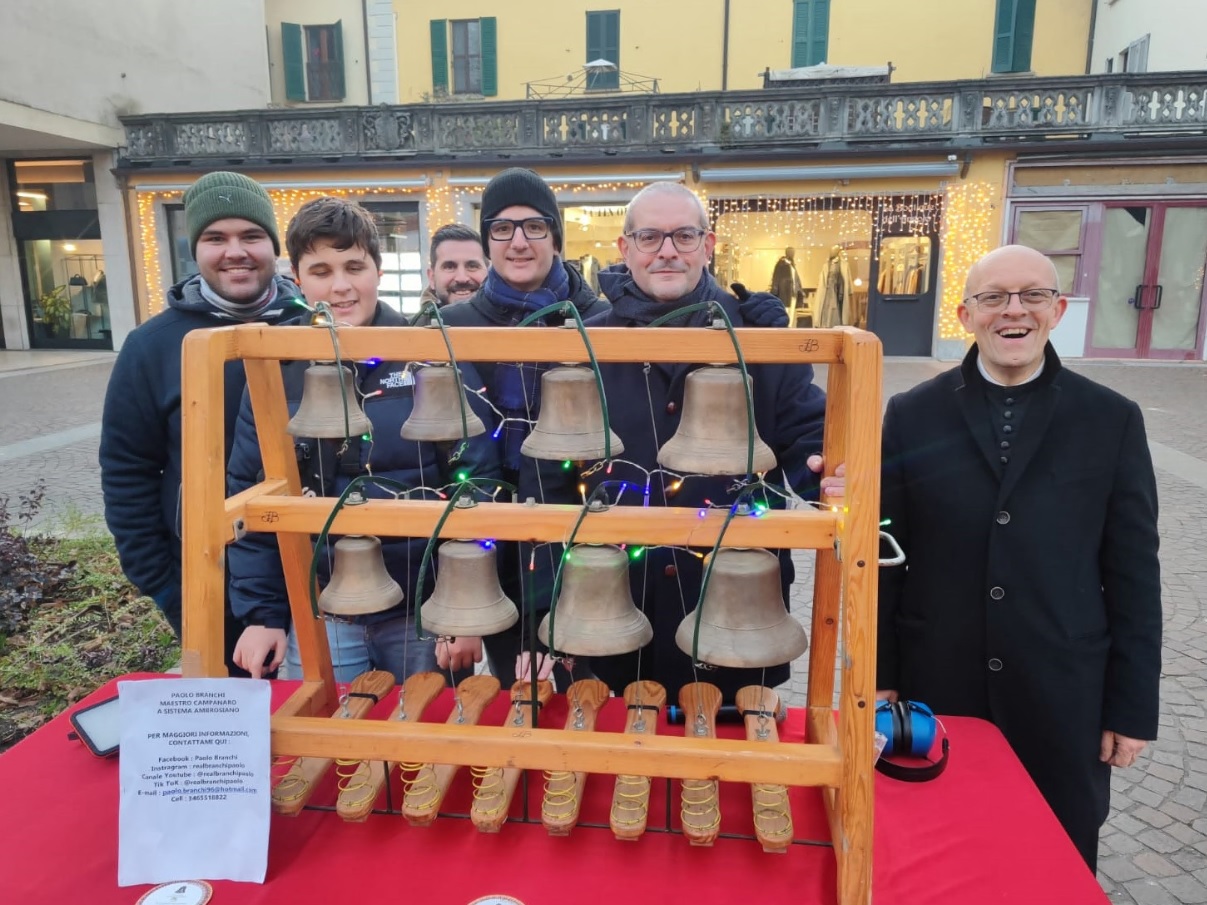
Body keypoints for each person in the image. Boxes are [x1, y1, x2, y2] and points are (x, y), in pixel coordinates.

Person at [873, 244, 1161, 871]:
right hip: (939, 680)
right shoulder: (911, 414)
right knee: (941, 852)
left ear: (1056, 310)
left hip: (1064, 690)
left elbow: (1135, 570)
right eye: (994, 297)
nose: (1015, 311)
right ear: (964, 313)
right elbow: (885, 551)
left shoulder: (1111, 419)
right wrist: (879, 676)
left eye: (1033, 295)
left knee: (1052, 856)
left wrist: (1131, 706)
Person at [521, 182, 827, 702]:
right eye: (650, 237)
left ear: (707, 246)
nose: (667, 250)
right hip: (607, 609)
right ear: (626, 249)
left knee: (729, 764)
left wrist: (824, 471)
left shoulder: (759, 340)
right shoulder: (584, 349)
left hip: (736, 612)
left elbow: (807, 435)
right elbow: (549, 485)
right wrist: (541, 617)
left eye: (684, 236)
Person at [225, 197, 500, 683]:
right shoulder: (275, 369)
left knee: (427, 737)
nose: (340, 286)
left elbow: (477, 482)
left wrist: (464, 605)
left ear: (377, 269)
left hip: (424, 610)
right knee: (326, 740)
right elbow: (251, 491)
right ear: (296, 275)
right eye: (321, 270)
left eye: (355, 266)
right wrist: (263, 615)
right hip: (323, 607)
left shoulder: (430, 355)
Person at [100, 171, 296, 676]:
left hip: (315, 573)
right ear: (196, 249)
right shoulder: (151, 347)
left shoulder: (316, 330)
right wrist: (166, 587)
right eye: (216, 238)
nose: (236, 251)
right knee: (232, 736)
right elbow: (127, 472)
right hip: (204, 582)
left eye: (251, 236)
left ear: (272, 245)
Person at [438, 167, 611, 688]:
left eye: (535, 227)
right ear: (487, 240)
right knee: (518, 688)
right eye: (502, 228)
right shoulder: (455, 326)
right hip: (491, 538)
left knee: (591, 685)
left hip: (581, 530)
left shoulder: (599, 318)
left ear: (555, 237)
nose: (518, 242)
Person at [419, 223, 487, 307]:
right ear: (432, 277)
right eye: (449, 267)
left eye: (472, 266)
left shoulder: (507, 319)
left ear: (489, 272)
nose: (462, 278)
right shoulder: (412, 321)